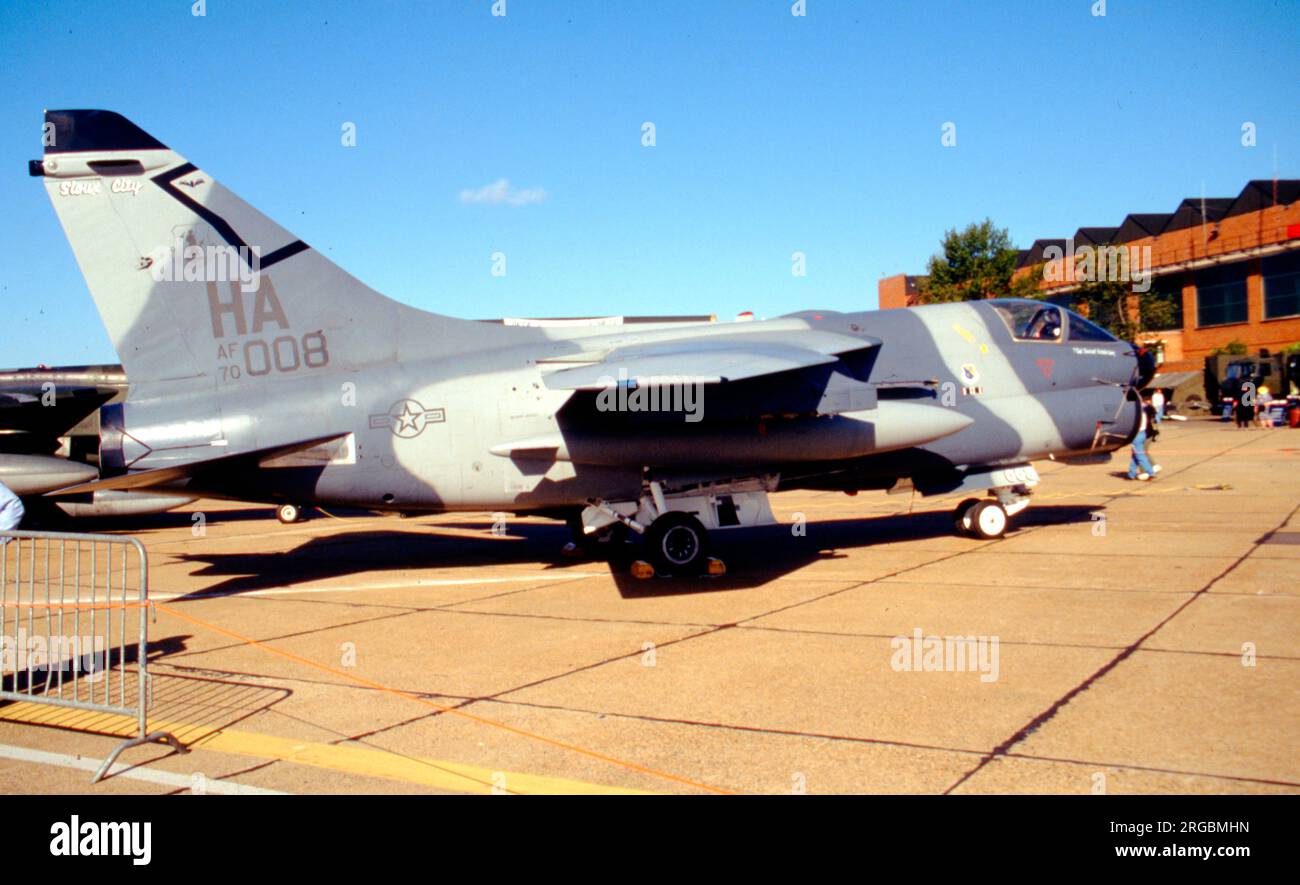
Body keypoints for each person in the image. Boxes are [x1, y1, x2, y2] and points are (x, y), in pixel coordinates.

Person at [1128, 396, 1161, 481]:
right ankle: (1131, 473)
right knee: (1135, 454)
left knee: (1139, 454)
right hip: (1143, 434)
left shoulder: (1138, 413)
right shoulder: (1145, 411)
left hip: (1138, 434)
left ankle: (1150, 472)